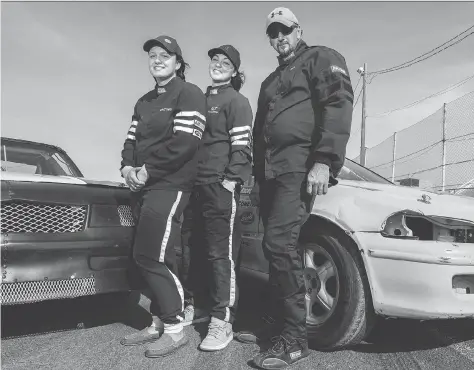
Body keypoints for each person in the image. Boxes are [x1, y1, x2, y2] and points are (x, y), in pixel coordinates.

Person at [235, 7, 354, 369]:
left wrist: (324, 161)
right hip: (269, 175)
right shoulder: (270, 81)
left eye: (284, 30)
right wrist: (255, 179)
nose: (279, 38)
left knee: (279, 244)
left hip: (298, 170)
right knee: (277, 252)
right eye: (273, 33)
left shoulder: (320, 58)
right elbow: (260, 134)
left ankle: (295, 340)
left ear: (298, 29)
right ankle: (278, 323)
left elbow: (338, 105)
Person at [119, 35, 207, 358]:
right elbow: (130, 140)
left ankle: (174, 327)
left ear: (178, 63)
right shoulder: (143, 102)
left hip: (170, 184)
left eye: (165, 56)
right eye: (153, 56)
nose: (157, 60)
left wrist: (147, 171)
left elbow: (185, 144)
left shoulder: (190, 94)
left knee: (149, 255)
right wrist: (127, 168)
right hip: (144, 184)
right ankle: (157, 320)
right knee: (161, 254)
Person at [181, 45, 253, 351]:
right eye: (215, 60)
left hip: (218, 187)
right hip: (192, 187)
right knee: (189, 250)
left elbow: (242, 147)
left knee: (219, 254)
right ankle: (194, 306)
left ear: (235, 71)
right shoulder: (198, 99)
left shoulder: (237, 101)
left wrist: (229, 180)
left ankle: (222, 320)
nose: (218, 64)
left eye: (226, 63)